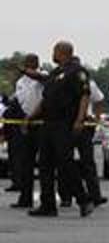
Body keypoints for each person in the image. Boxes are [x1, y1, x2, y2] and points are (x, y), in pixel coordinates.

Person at [27, 41, 94, 217]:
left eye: (54, 51)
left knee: (65, 163)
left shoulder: (77, 71)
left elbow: (84, 96)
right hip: (48, 123)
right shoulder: (55, 73)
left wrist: (80, 119)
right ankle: (47, 205)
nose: (52, 54)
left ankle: (83, 199)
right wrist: (31, 117)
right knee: (44, 165)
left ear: (62, 52)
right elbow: (46, 99)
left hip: (64, 123)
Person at [58, 61, 109, 208]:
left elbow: (99, 100)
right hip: (66, 123)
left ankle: (95, 196)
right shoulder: (61, 82)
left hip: (85, 125)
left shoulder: (89, 84)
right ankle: (65, 197)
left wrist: (97, 118)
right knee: (64, 160)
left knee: (87, 161)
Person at [7, 54, 46, 208]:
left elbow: (42, 88)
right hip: (26, 123)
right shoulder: (20, 83)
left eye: (33, 62)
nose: (31, 65)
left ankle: (48, 199)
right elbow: (20, 101)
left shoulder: (44, 76)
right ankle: (25, 198)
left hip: (42, 122)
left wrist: (26, 71)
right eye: (28, 62)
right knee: (26, 164)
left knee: (45, 164)